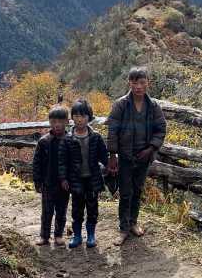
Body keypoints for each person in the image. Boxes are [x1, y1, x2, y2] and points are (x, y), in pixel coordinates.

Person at [106, 67, 167, 244]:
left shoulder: (153, 106)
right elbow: (113, 130)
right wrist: (112, 155)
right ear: (129, 83)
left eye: (142, 82)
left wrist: (151, 149)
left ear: (148, 82)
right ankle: (123, 228)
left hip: (144, 158)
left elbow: (161, 129)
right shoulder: (120, 105)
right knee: (125, 192)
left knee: (137, 191)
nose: (138, 86)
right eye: (134, 82)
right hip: (125, 157)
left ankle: (133, 223)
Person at [59, 99, 109, 248]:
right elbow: (62, 161)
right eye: (76, 116)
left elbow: (103, 156)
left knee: (92, 207)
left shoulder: (96, 137)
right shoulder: (67, 139)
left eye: (83, 116)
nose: (79, 119)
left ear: (89, 118)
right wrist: (63, 178)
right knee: (77, 208)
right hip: (75, 179)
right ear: (72, 118)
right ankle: (77, 235)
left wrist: (110, 167)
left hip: (92, 178)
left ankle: (91, 235)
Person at [32, 105, 70, 246]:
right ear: (50, 122)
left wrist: (71, 180)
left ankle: (59, 235)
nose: (57, 125)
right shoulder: (43, 142)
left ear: (67, 121)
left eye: (60, 121)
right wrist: (37, 181)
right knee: (47, 212)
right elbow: (36, 163)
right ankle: (44, 236)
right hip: (48, 183)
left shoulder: (70, 140)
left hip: (64, 184)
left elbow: (74, 163)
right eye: (54, 122)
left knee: (61, 210)